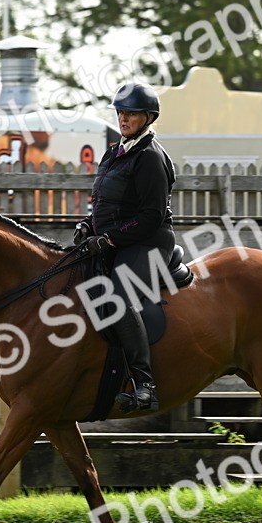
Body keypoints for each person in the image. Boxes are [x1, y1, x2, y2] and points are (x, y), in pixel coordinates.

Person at [74, 81, 177, 412]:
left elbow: (151, 215)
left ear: (148, 117)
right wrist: (87, 226)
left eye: (130, 113)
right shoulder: (114, 153)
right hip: (117, 239)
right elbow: (104, 203)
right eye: (120, 112)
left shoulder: (150, 158)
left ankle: (144, 383)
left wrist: (108, 239)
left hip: (149, 242)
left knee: (115, 296)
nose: (123, 118)